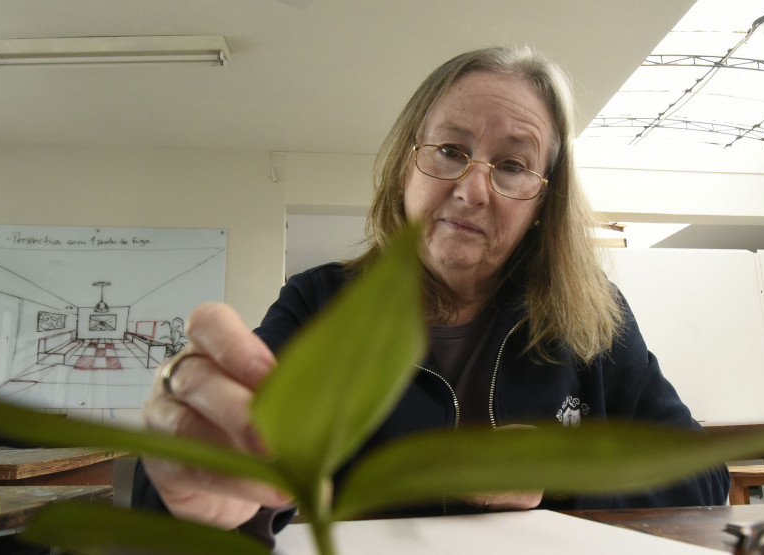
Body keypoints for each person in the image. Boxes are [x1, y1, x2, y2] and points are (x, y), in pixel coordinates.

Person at [132, 45, 731, 546]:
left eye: (514, 165)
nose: (472, 189)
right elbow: (210, 487)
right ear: (404, 167)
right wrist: (190, 474)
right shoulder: (318, 304)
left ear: (542, 205)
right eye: (450, 151)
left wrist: (556, 480)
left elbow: (703, 480)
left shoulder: (594, 319)